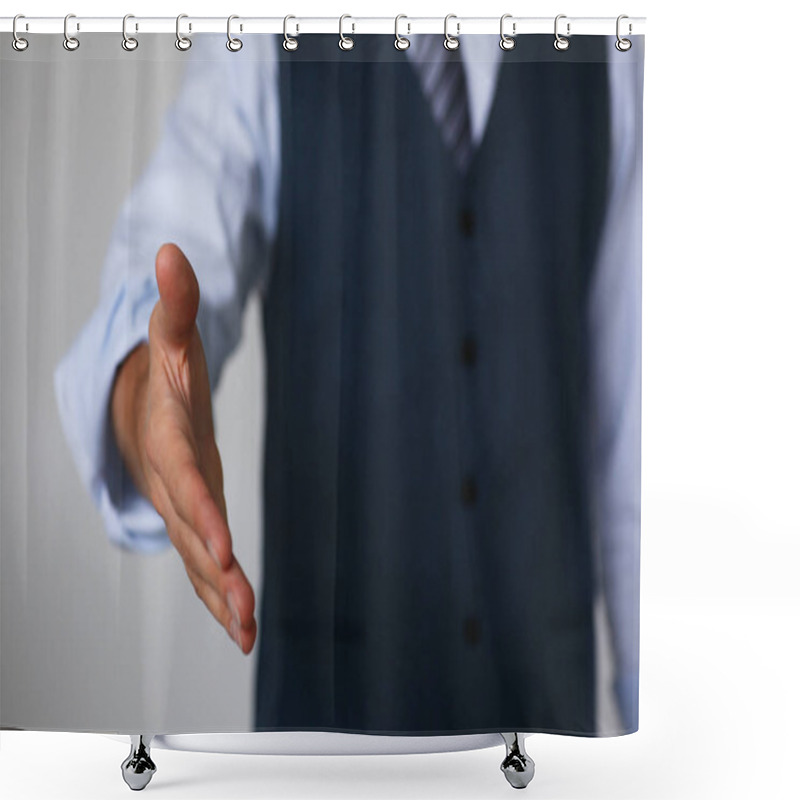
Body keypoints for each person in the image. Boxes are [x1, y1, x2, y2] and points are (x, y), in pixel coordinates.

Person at [54, 32, 641, 734]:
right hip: (330, 733)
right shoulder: (265, 33)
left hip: (550, 735)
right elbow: (171, 241)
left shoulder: (617, 47)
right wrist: (145, 389)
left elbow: (637, 447)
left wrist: (662, 722)